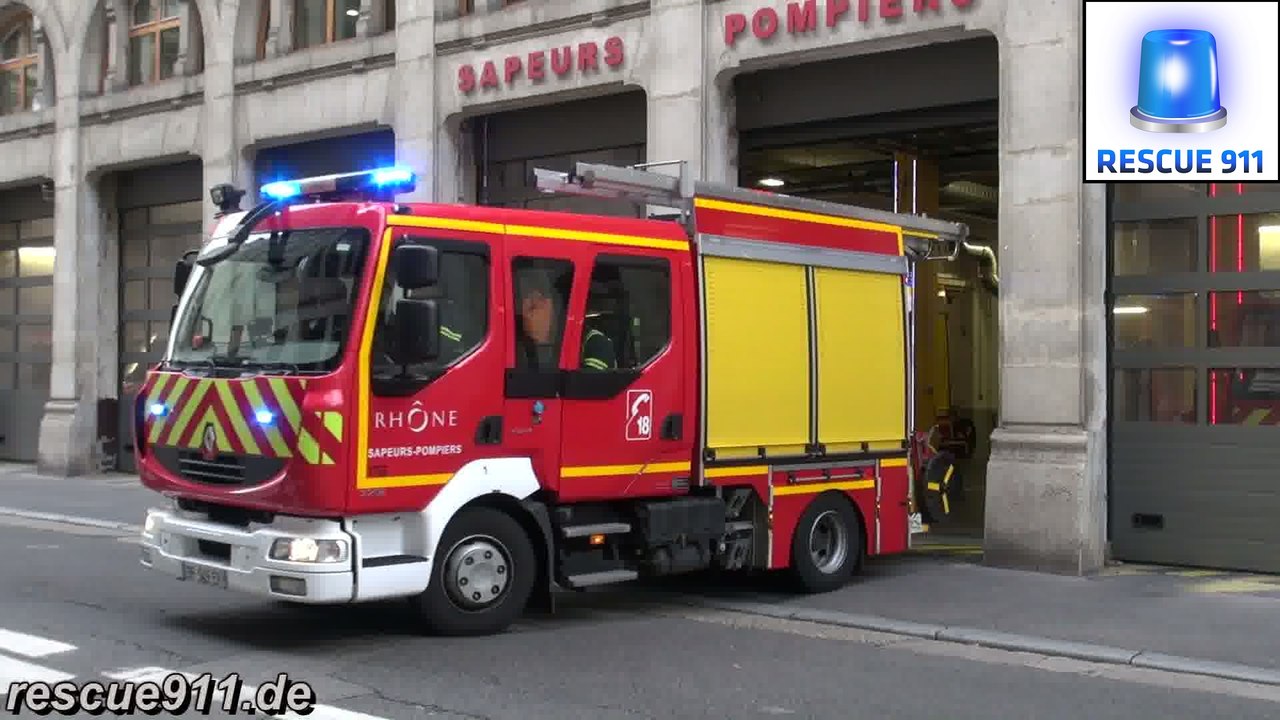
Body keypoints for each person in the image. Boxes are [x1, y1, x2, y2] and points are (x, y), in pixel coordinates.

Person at [516, 268, 616, 372]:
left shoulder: (598, 343)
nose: (526, 316)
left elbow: (586, 384)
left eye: (533, 307)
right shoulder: (534, 345)